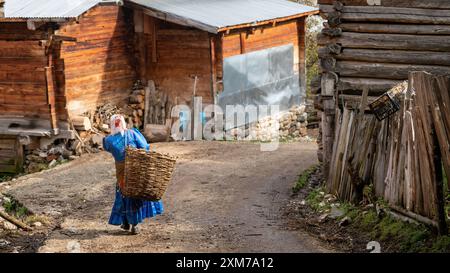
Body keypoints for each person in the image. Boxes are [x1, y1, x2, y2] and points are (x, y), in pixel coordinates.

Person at [103, 114, 164, 235]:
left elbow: (107, 148)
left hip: (121, 174)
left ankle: (125, 222)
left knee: (123, 195)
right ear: (124, 123)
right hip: (136, 171)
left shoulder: (108, 140)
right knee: (135, 196)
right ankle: (134, 225)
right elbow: (145, 147)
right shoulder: (132, 134)